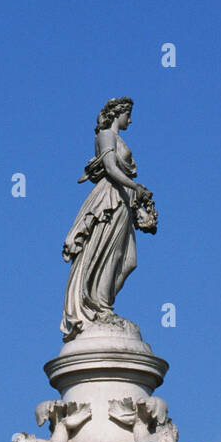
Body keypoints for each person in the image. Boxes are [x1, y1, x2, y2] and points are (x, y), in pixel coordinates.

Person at [61, 96, 156, 341]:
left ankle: (103, 304)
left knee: (128, 260)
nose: (131, 120)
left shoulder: (119, 138)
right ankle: (102, 309)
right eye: (128, 115)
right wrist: (136, 185)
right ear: (117, 113)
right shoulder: (105, 136)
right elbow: (112, 169)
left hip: (123, 200)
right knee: (109, 252)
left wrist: (139, 206)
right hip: (110, 199)